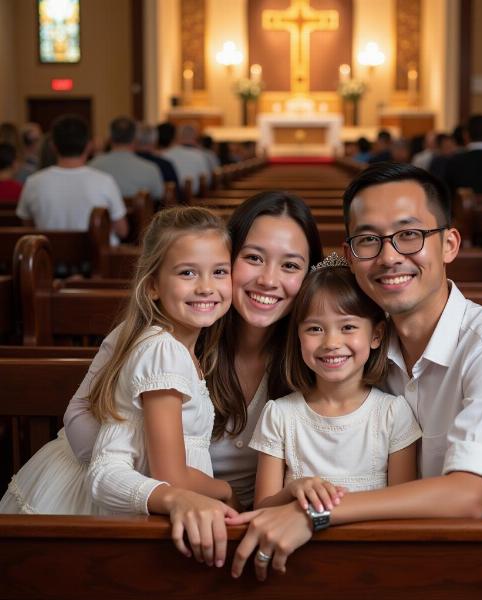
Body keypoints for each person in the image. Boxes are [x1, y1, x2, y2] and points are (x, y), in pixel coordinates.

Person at [227, 162, 482, 581]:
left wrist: (315, 513)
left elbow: (467, 495)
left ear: (450, 243)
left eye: (409, 235)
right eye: (368, 240)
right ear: (349, 256)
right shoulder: (361, 350)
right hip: (406, 561)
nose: (388, 257)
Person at [59, 191, 322, 562]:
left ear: (309, 275)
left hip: (247, 528)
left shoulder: (318, 350)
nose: (268, 280)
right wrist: (164, 483)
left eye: (291, 266)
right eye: (253, 258)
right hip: (157, 518)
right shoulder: (167, 334)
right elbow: (82, 419)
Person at [0, 206, 236, 517]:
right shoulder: (165, 350)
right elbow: (171, 476)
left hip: (127, 489)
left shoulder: (157, 339)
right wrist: (227, 491)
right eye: (187, 272)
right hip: (109, 497)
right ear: (152, 285)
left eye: (219, 271)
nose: (206, 286)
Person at [250, 258, 420, 511]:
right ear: (298, 335)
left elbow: (403, 508)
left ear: (376, 335)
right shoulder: (280, 415)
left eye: (348, 326)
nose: (331, 342)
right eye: (315, 329)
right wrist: (292, 490)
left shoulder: (393, 414)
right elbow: (261, 509)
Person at [16, 114, 128, 245]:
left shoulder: (33, 182)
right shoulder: (104, 182)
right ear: (89, 145)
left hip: (49, 260)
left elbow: (28, 226)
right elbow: (122, 230)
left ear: (53, 146)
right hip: (96, 261)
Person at [90, 116, 164, 202]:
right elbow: (159, 196)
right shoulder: (150, 169)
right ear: (135, 138)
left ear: (109, 138)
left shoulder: (93, 166)